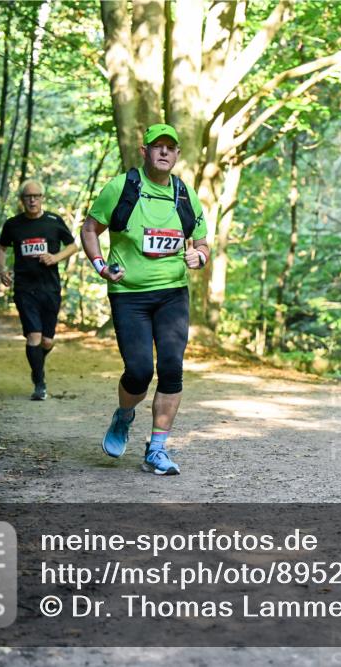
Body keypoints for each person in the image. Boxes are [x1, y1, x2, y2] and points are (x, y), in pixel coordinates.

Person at [81, 123, 210, 476]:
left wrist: (200, 256)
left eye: (171, 147)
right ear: (145, 151)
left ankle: (156, 449)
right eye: (158, 146)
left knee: (172, 368)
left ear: (177, 154)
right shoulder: (121, 188)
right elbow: (90, 228)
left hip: (172, 294)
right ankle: (124, 415)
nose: (164, 152)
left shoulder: (185, 195)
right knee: (138, 371)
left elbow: (201, 243)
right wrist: (100, 265)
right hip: (129, 295)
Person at [0, 180, 78, 401]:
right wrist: (2, 269)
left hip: (50, 287)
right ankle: (39, 383)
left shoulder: (53, 221)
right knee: (34, 336)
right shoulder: (13, 224)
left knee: (47, 341)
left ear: (42, 198)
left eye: (36, 196)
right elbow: (1, 248)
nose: (32, 200)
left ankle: (36, 363)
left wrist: (55, 257)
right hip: (24, 288)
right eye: (28, 197)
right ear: (21, 200)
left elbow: (73, 246)